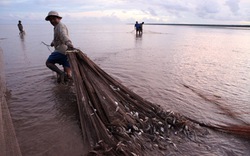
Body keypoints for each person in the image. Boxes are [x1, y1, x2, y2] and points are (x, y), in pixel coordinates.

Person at [45, 11, 74, 84]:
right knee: (67, 70)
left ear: (59, 19)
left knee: (48, 63)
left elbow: (63, 35)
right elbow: (58, 37)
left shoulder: (60, 26)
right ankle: (69, 83)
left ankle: (61, 73)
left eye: (54, 19)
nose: (52, 21)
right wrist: (53, 42)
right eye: (50, 20)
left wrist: (68, 43)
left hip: (61, 50)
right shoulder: (57, 27)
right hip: (67, 51)